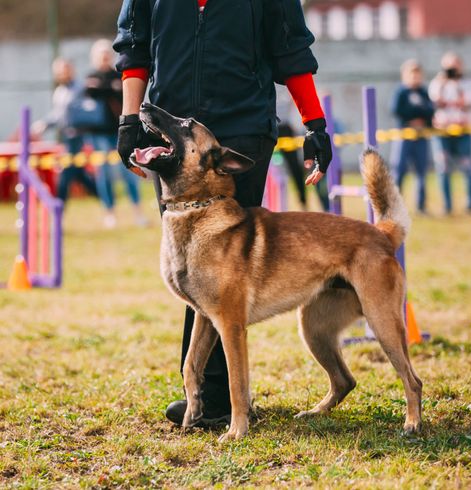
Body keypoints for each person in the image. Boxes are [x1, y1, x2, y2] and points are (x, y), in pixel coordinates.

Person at [113, 0, 333, 427]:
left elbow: (290, 49)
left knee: (223, 271)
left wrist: (315, 124)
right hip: (173, 129)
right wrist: (128, 119)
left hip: (241, 131)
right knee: (190, 267)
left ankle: (219, 399)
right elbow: (134, 45)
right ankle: (203, 394)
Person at [85, 39, 148, 228]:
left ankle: (138, 212)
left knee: (129, 172)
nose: (104, 58)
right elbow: (90, 92)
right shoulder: (91, 77)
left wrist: (104, 87)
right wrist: (108, 87)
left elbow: (121, 92)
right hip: (98, 135)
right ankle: (109, 214)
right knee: (103, 175)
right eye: (101, 55)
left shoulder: (119, 75)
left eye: (107, 54)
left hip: (120, 133)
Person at [31, 58, 97, 202]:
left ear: (71, 70)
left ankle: (58, 205)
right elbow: (58, 114)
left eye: (65, 69)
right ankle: (101, 195)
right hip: (66, 135)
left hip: (77, 136)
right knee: (78, 172)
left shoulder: (80, 88)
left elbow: (84, 110)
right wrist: (45, 124)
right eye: (60, 71)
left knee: (66, 171)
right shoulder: (59, 91)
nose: (63, 73)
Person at [429, 52, 471, 214]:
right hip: (442, 132)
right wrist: (443, 84)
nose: (452, 69)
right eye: (449, 66)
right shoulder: (437, 83)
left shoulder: (469, 83)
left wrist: (456, 85)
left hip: (463, 132)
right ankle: (447, 206)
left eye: (455, 65)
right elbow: (435, 103)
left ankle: (470, 206)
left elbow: (467, 103)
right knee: (443, 169)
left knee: (468, 168)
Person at [390, 60, 434, 214]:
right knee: (399, 170)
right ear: (405, 76)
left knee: (421, 172)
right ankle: (395, 207)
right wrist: (412, 119)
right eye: (412, 75)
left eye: (418, 75)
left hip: (421, 136)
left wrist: (422, 120)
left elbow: (430, 110)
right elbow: (397, 110)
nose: (415, 78)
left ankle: (421, 206)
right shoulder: (401, 92)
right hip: (404, 136)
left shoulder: (423, 92)